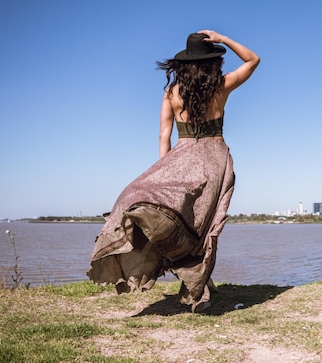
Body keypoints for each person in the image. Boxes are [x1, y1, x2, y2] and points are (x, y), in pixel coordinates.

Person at [87, 30, 260, 313]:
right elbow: (253, 60)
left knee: (178, 219)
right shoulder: (222, 85)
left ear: (184, 63)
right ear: (212, 61)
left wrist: (165, 170)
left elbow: (163, 136)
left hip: (181, 158)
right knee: (204, 226)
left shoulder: (172, 93)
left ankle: (200, 284)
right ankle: (198, 286)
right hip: (214, 160)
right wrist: (225, 39)